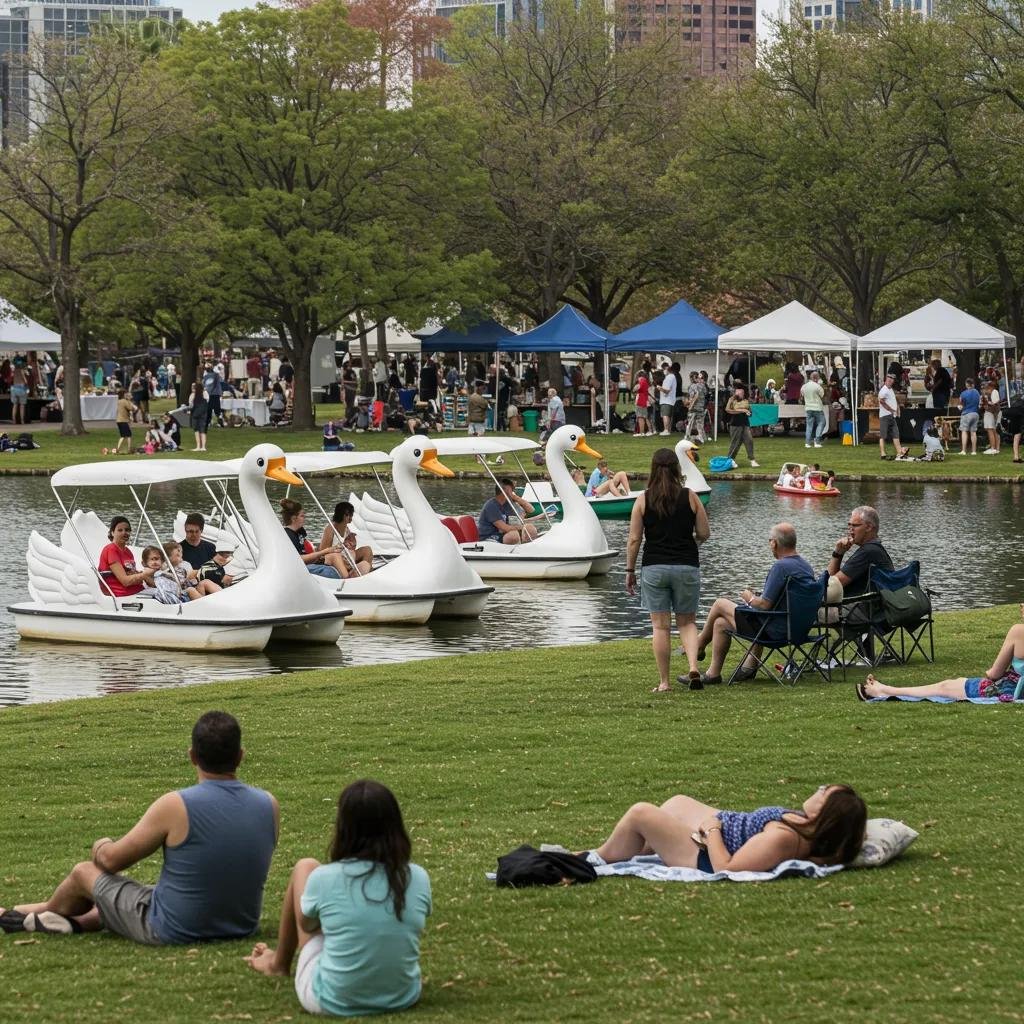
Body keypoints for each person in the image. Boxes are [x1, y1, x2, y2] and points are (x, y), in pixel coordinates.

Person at [0, 712, 278, 943]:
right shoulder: (269, 804)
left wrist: (101, 844)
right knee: (146, 893)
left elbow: (111, 861)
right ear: (241, 756)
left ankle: (36, 916)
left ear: (192, 755)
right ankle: (73, 923)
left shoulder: (176, 804)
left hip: (174, 928)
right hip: (240, 925)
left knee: (84, 873)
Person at [244, 779, 430, 1017]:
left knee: (305, 866)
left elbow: (308, 925)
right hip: (402, 996)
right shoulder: (417, 877)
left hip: (330, 999)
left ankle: (277, 964)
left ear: (343, 827)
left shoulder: (325, 877)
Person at [588, 784, 867, 873]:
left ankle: (597, 857)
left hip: (705, 855)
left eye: (825, 792)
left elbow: (727, 868)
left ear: (824, 814)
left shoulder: (783, 838)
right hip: (721, 828)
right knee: (676, 804)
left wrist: (712, 831)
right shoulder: (805, 826)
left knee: (642, 813)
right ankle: (631, 847)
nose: (819, 789)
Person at [626, 448, 711, 692]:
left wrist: (629, 570)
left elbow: (634, 540)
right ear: (677, 469)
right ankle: (694, 667)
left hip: (654, 566)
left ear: (653, 469)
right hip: (686, 565)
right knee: (687, 622)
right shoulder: (690, 497)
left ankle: (664, 681)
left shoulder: (643, 499)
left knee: (660, 626)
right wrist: (690, 542)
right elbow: (704, 533)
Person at [692, 522, 813, 686]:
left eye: (770, 540)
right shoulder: (806, 567)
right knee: (721, 623)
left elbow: (764, 605)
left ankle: (699, 644)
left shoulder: (781, 567)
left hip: (774, 631)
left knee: (720, 603)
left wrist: (749, 598)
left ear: (774, 543)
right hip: (797, 629)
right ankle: (713, 674)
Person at [859, 604, 1024, 702]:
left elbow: (994, 674)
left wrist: (991, 673)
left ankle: (884, 691)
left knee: (942, 687)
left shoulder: (1019, 631)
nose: (1021, 606)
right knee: (955, 683)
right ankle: (885, 690)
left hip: (1008, 689)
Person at [824, 504, 893, 600]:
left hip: (864, 612)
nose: (850, 530)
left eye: (855, 526)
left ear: (869, 527)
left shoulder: (868, 552)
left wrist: (836, 555)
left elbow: (829, 587)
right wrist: (838, 553)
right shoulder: (874, 548)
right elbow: (831, 583)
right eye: (849, 525)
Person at [280, 498, 351, 579]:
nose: (305, 517)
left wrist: (324, 553)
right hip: (296, 569)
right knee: (331, 570)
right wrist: (326, 551)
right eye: (302, 515)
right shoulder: (287, 535)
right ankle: (347, 582)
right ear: (293, 518)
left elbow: (307, 554)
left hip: (306, 564)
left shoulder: (299, 532)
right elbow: (298, 559)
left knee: (337, 558)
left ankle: (349, 578)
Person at [97, 516, 157, 598]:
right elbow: (125, 581)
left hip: (137, 591)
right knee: (165, 596)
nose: (124, 533)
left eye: (127, 530)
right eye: (120, 530)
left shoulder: (128, 552)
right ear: (112, 533)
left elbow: (132, 575)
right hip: (122, 595)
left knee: (168, 591)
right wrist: (144, 574)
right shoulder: (111, 550)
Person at [478, 479, 539, 545]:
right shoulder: (491, 506)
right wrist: (523, 527)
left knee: (530, 529)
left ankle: (527, 551)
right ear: (504, 491)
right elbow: (504, 528)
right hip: (490, 537)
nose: (513, 492)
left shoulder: (508, 504)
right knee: (513, 535)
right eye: (511, 490)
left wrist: (515, 498)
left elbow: (531, 510)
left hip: (504, 534)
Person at [319, 502, 373, 576]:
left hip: (346, 557)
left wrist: (352, 544)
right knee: (341, 559)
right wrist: (340, 557)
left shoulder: (346, 529)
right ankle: (353, 575)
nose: (351, 517)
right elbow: (322, 554)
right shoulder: (330, 529)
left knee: (367, 550)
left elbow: (351, 548)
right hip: (335, 559)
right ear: (344, 515)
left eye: (351, 515)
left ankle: (366, 573)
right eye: (349, 515)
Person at [156, 541, 220, 602]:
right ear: (167, 558)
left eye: (181, 553)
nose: (181, 556)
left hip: (190, 591)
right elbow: (187, 576)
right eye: (177, 555)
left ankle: (222, 597)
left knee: (204, 582)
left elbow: (189, 578)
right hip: (179, 594)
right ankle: (206, 606)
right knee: (190, 590)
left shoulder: (183, 566)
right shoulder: (165, 568)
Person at [725, 384, 759, 468]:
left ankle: (752, 460)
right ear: (736, 392)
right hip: (735, 424)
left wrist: (748, 412)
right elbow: (728, 410)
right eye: (739, 392)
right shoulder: (732, 399)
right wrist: (742, 411)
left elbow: (750, 412)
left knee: (749, 440)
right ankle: (730, 460)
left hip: (745, 423)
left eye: (742, 392)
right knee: (735, 442)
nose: (741, 393)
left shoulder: (746, 400)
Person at [876, 371, 907, 460]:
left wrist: (897, 409)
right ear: (886, 380)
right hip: (884, 416)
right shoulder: (883, 390)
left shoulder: (890, 389)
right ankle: (882, 453)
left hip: (891, 416)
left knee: (896, 434)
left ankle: (899, 452)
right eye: (889, 379)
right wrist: (891, 409)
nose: (890, 381)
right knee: (883, 435)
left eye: (892, 379)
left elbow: (894, 400)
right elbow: (881, 401)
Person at [800, 370, 826, 448]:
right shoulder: (818, 386)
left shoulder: (804, 386)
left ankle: (807, 442)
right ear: (817, 378)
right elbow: (822, 396)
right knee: (822, 422)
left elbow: (802, 395)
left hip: (808, 408)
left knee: (809, 425)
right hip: (817, 407)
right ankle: (817, 441)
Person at [956, 377, 981, 456]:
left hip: (966, 414)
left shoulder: (963, 393)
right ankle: (974, 451)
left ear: (966, 384)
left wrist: (959, 407)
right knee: (973, 433)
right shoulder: (977, 392)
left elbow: (960, 405)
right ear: (973, 384)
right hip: (975, 413)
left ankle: (964, 450)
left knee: (964, 431)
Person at [684, 371, 707, 443]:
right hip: (701, 408)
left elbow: (693, 396)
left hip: (694, 408)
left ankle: (687, 437)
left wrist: (689, 405)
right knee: (700, 424)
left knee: (690, 423)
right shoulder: (703, 386)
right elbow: (705, 394)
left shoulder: (692, 386)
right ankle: (702, 437)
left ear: (692, 378)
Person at [983, 378, 1002, 454]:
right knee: (995, 431)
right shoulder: (994, 392)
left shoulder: (993, 392)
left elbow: (994, 404)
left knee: (991, 430)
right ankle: (996, 448)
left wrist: (987, 404)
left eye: (987, 387)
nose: (986, 389)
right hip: (995, 413)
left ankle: (993, 448)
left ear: (990, 387)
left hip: (992, 413)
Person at [113, 389, 136, 454]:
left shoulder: (119, 401)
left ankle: (118, 449)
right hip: (123, 420)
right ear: (123, 394)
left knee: (123, 435)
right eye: (126, 393)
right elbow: (131, 408)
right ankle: (129, 449)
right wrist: (129, 401)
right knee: (128, 435)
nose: (127, 394)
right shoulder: (124, 401)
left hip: (118, 420)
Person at [657, 364, 677, 436]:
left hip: (666, 400)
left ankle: (666, 430)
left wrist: (660, 388)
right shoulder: (672, 377)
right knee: (668, 415)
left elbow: (667, 390)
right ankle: (668, 429)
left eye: (663, 370)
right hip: (670, 400)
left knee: (665, 415)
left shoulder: (669, 377)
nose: (663, 371)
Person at [190, 387, 209, 452]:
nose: (193, 389)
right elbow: (191, 404)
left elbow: (191, 405)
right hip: (197, 415)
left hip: (201, 415)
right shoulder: (192, 395)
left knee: (202, 430)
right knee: (197, 430)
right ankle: (198, 446)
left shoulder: (204, 393)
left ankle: (203, 446)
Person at [634, 370, 651, 437]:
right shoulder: (646, 381)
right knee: (645, 417)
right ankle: (649, 430)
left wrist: (634, 388)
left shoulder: (642, 380)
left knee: (640, 417)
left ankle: (641, 432)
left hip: (640, 401)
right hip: (644, 401)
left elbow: (636, 388)